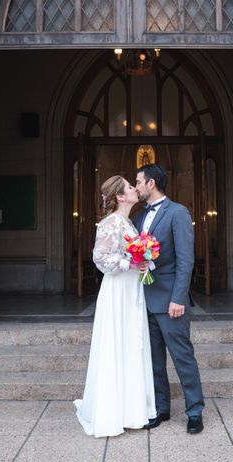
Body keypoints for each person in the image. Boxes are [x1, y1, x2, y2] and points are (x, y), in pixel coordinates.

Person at [73, 175, 157, 437]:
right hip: (118, 289)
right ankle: (113, 411)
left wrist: (145, 261)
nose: (135, 188)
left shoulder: (128, 222)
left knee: (132, 343)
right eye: (130, 187)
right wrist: (130, 264)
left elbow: (130, 254)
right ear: (121, 196)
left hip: (132, 288)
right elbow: (100, 257)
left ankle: (131, 410)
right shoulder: (111, 223)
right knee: (117, 343)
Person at [133, 164, 205, 434]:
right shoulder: (139, 216)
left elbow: (186, 260)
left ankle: (195, 411)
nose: (136, 186)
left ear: (151, 183)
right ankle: (161, 408)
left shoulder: (177, 213)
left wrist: (179, 299)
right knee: (153, 361)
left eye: (138, 181)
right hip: (144, 299)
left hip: (170, 301)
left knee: (182, 357)